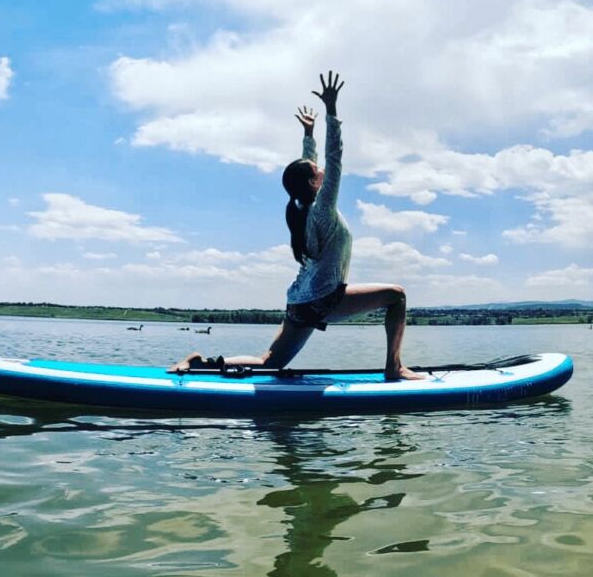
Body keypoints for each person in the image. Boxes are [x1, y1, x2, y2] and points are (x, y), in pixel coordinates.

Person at [173, 71, 423, 380]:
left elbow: (306, 167)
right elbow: (335, 158)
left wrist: (308, 134)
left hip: (299, 302)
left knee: (269, 362)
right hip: (324, 300)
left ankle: (202, 363)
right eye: (317, 170)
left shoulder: (301, 209)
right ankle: (394, 367)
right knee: (397, 295)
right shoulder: (322, 209)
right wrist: (331, 111)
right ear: (314, 182)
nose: (321, 169)